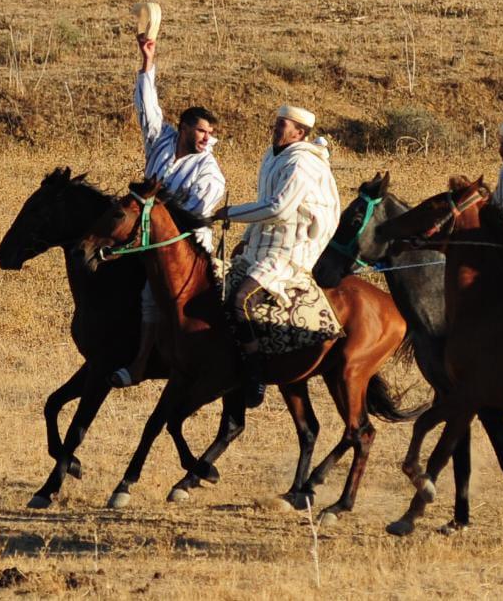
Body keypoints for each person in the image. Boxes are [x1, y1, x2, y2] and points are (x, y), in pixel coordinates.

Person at [110, 34, 226, 388]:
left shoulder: (210, 173)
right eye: (202, 131)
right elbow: (147, 107)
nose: (207, 138)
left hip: (184, 247)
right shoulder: (162, 139)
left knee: (150, 294)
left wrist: (156, 220)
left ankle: (141, 363)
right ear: (185, 127)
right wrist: (147, 61)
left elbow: (192, 219)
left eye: (211, 133)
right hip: (145, 236)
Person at [212, 105, 340, 407]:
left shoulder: (302, 163)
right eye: (277, 122)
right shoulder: (273, 156)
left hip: (286, 253)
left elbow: (279, 208)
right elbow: (263, 202)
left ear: (300, 133)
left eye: (283, 124)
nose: (276, 127)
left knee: (241, 299)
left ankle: (255, 374)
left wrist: (228, 213)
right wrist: (245, 240)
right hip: (260, 247)